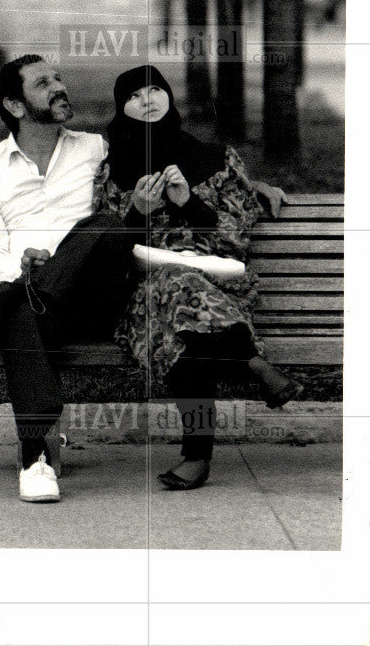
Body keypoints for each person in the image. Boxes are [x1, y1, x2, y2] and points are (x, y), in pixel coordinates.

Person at [96, 64, 304, 491]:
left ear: (170, 97)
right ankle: (252, 363)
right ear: (123, 109)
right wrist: (137, 212)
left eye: (155, 90)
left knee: (182, 304)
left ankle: (197, 458)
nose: (147, 100)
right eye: (134, 96)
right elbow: (104, 251)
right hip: (142, 297)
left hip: (218, 288)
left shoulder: (217, 159)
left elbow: (236, 240)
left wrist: (189, 203)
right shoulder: (111, 171)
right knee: (175, 292)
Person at [0, 54, 131, 503]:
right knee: (28, 309)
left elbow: (167, 158)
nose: (58, 87)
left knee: (108, 226)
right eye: (42, 83)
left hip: (92, 300)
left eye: (58, 78)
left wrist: (247, 184)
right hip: (29, 301)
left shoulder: (97, 149)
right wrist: (21, 272)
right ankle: (36, 460)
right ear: (15, 106)